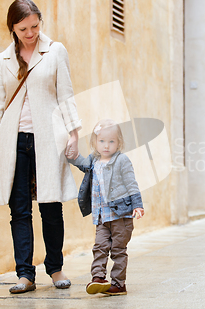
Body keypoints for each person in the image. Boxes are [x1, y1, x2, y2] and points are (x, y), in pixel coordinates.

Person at [0, 0, 81, 294]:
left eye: (35, 26)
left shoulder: (55, 51)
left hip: (49, 139)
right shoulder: (4, 60)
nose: (30, 33)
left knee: (51, 206)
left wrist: (74, 134)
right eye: (23, 28)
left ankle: (56, 267)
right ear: (12, 27)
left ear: (40, 22)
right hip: (13, 141)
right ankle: (25, 274)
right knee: (20, 210)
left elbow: (66, 95)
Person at [68, 119, 144, 296]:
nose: (106, 146)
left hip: (121, 216)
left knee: (118, 251)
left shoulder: (122, 160)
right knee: (100, 247)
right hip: (102, 217)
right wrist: (71, 155)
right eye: (102, 141)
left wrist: (137, 205)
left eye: (112, 141)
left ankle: (118, 284)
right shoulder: (94, 160)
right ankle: (98, 278)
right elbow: (82, 164)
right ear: (94, 142)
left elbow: (132, 184)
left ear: (119, 142)